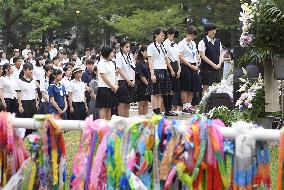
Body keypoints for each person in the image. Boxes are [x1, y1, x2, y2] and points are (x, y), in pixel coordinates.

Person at [147, 27, 175, 115]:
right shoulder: (151, 46)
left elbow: (166, 59)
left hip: (163, 70)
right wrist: (152, 74)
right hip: (155, 70)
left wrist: (171, 69)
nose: (163, 37)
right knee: (154, 92)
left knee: (161, 92)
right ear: (156, 35)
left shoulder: (162, 46)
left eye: (164, 36)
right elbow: (150, 61)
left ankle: (159, 110)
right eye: (162, 35)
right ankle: (155, 110)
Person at [178, 26, 203, 113]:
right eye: (191, 35)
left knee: (193, 87)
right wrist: (190, 65)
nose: (192, 37)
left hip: (194, 66)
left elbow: (195, 55)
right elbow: (181, 57)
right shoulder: (181, 43)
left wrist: (196, 65)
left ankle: (189, 106)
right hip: (186, 66)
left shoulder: (193, 43)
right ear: (187, 34)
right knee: (185, 87)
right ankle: (184, 106)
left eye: (194, 36)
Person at [198, 23, 223, 92]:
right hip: (207, 69)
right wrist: (213, 64)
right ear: (207, 31)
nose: (214, 31)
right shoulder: (202, 42)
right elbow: (202, 56)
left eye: (214, 29)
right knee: (206, 89)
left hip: (217, 68)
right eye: (211, 30)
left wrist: (219, 64)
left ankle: (216, 103)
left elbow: (221, 54)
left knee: (217, 88)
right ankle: (204, 103)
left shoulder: (218, 41)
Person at [96, 46, 118, 120]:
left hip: (111, 89)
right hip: (104, 88)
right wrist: (112, 86)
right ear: (107, 53)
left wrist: (115, 85)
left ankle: (108, 126)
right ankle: (103, 127)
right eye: (112, 52)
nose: (113, 53)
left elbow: (114, 75)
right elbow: (104, 77)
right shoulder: (101, 63)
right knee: (103, 108)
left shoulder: (112, 63)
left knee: (109, 108)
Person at [116, 40, 136, 117]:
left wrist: (133, 80)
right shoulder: (119, 56)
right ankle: (121, 119)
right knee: (122, 102)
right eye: (126, 47)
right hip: (123, 81)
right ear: (122, 48)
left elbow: (133, 68)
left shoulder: (130, 55)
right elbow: (119, 70)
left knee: (128, 103)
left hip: (131, 80)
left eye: (129, 47)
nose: (128, 48)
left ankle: (127, 119)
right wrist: (128, 80)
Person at [16, 63, 38, 135]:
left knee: (32, 122)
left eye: (32, 69)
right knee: (25, 123)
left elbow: (35, 92)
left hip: (32, 103)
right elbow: (18, 94)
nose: (31, 71)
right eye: (29, 69)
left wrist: (36, 102)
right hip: (24, 103)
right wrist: (20, 105)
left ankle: (31, 139)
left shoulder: (32, 80)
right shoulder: (20, 81)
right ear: (24, 70)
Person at [163, 27, 181, 116]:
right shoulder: (165, 44)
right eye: (172, 35)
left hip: (175, 65)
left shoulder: (175, 44)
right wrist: (171, 69)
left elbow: (177, 57)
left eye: (174, 35)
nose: (172, 37)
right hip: (168, 66)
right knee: (168, 89)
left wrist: (179, 69)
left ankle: (170, 109)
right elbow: (166, 57)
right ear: (168, 34)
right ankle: (167, 110)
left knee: (174, 89)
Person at [135, 45, 151, 116]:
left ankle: (146, 117)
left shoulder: (149, 61)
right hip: (141, 85)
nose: (148, 53)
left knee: (146, 101)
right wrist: (147, 83)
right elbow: (140, 75)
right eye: (146, 51)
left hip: (148, 84)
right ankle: (141, 117)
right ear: (142, 52)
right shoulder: (139, 62)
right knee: (141, 102)